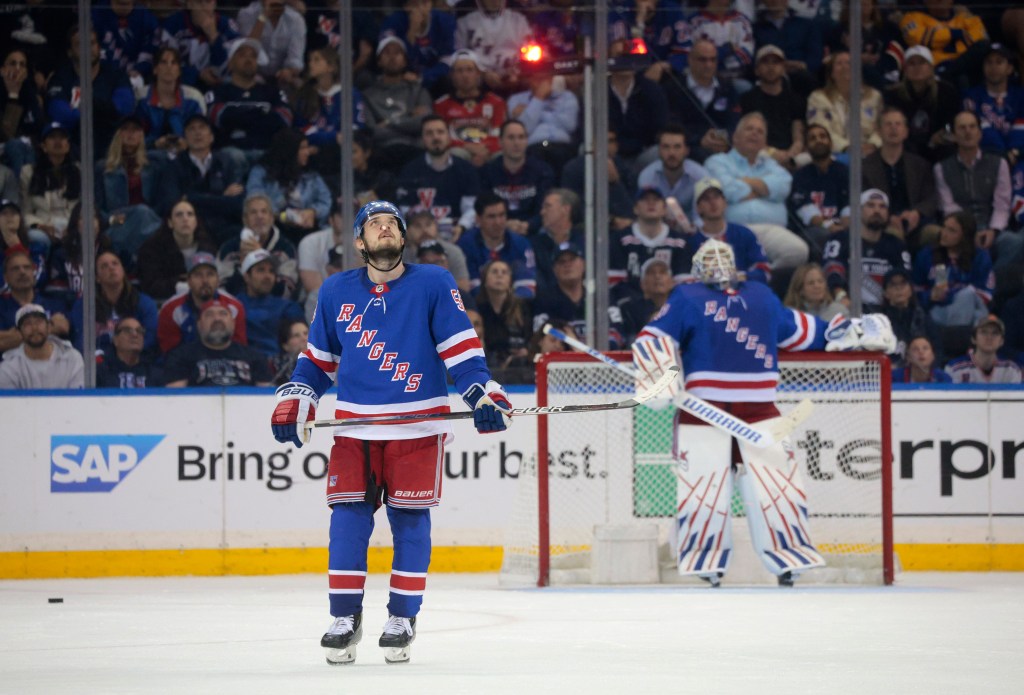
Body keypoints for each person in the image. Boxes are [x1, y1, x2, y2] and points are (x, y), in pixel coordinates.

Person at [269, 200, 513, 665]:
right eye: (374, 225)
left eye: (392, 224)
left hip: (417, 426)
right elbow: (319, 361)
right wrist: (298, 395)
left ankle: (402, 617)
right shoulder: (336, 290)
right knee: (347, 521)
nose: (384, 229)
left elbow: (461, 352)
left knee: (410, 522)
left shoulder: (434, 283)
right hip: (355, 429)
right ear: (359, 242)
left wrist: (482, 394)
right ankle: (344, 617)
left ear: (402, 238)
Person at [632, 238, 895, 587]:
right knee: (703, 488)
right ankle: (704, 560)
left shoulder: (760, 296)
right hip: (703, 411)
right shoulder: (687, 297)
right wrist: (657, 374)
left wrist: (855, 330)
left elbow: (806, 331)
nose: (716, 263)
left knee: (779, 486)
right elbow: (653, 337)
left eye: (722, 256)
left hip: (759, 409)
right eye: (708, 258)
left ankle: (789, 556)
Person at [704, 113, 808, 271]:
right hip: (732, 228)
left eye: (760, 132)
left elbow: (783, 186)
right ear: (735, 137)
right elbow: (727, 191)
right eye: (749, 129)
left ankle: (761, 276)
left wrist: (742, 181)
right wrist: (764, 189)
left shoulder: (773, 166)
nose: (754, 133)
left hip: (771, 229)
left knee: (798, 251)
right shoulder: (717, 161)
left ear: (765, 142)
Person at [934, 111, 1019, 268]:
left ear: (980, 133)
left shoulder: (999, 163)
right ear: (953, 135)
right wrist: (968, 233)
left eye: (972, 127)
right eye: (962, 128)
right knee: (938, 238)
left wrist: (992, 231)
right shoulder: (941, 168)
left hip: (992, 229)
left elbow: (1002, 205)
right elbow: (948, 207)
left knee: (1015, 242)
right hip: (959, 230)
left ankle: (994, 287)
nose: (968, 132)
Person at [45, 24, 134, 156]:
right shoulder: (60, 78)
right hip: (74, 147)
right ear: (69, 52)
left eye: (91, 43)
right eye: (80, 44)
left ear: (98, 47)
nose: (87, 49)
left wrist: (84, 108)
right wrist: (102, 110)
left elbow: (124, 107)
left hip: (112, 146)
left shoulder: (115, 75)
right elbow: (59, 113)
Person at [158, 114, 246, 242]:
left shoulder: (228, 162)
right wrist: (222, 197)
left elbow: (238, 204)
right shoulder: (173, 167)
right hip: (189, 229)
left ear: (211, 137)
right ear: (185, 139)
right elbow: (171, 204)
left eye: (202, 127)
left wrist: (191, 198)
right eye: (191, 129)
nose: (197, 133)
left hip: (225, 227)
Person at [862, 107, 940, 250]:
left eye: (898, 124)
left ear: (906, 132)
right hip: (882, 223)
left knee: (935, 233)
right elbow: (863, 200)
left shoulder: (920, 164)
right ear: (879, 131)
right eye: (888, 124)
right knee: (893, 235)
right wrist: (887, 217)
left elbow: (931, 197)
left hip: (917, 224)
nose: (893, 128)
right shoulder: (866, 166)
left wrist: (917, 212)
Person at [823, 189, 912, 308]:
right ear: (858, 210)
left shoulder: (896, 245)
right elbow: (831, 269)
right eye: (870, 205)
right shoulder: (840, 239)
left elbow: (905, 277)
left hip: (886, 312)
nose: (877, 210)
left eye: (882, 207)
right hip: (849, 309)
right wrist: (841, 296)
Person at [396, 114, 481, 237]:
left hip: (457, 233)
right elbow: (404, 208)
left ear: (449, 137)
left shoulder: (466, 169)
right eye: (429, 133)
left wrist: (462, 227)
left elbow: (472, 208)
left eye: (440, 132)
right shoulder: (410, 171)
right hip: (421, 236)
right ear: (423, 139)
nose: (435, 137)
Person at [207, 38, 292, 157]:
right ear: (230, 63)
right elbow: (217, 117)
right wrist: (261, 115)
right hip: (230, 152)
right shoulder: (218, 92)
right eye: (242, 55)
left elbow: (284, 119)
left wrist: (238, 117)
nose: (249, 60)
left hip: (266, 152)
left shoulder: (272, 91)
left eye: (253, 56)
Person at [245, 129, 332, 244]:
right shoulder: (261, 173)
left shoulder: (311, 176)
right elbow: (254, 200)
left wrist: (313, 211)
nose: (307, 152)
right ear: (289, 150)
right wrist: (283, 216)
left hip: (306, 231)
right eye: (303, 148)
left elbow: (326, 200)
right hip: (272, 230)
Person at [659, 39, 737, 165]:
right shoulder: (673, 88)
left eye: (713, 60)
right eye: (703, 60)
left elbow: (734, 120)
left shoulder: (727, 88)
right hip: (687, 149)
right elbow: (671, 125)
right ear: (690, 60)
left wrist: (723, 137)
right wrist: (700, 139)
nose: (708, 65)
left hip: (722, 146)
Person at [95, 116, 164, 258]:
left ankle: (132, 258)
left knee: (143, 213)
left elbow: (159, 202)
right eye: (125, 129)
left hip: (146, 221)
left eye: (135, 130)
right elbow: (95, 205)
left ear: (141, 135)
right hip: (119, 222)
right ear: (118, 135)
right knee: (144, 214)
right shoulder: (103, 167)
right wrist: (110, 219)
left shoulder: (152, 167)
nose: (130, 134)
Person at [164, 297, 272, 387]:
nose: (217, 319)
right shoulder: (181, 357)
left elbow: (266, 397)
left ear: (233, 323)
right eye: (209, 314)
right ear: (199, 325)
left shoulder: (255, 357)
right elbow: (174, 399)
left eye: (223, 314)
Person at [911, 211, 994, 328]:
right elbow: (914, 291)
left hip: (970, 313)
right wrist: (930, 295)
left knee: (968, 295)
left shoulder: (980, 257)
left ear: (965, 236)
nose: (944, 233)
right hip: (935, 311)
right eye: (944, 227)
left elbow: (985, 294)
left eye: (951, 231)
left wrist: (951, 294)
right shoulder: (927, 254)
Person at [533, 244, 625, 349]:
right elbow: (540, 333)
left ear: (583, 264)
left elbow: (617, 333)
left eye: (572, 260)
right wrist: (568, 341)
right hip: (563, 362)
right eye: (561, 262)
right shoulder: (545, 299)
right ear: (554, 269)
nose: (567, 265)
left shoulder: (601, 297)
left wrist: (586, 349)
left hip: (601, 360)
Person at [609, 187, 693, 302]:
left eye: (656, 200)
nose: (651, 203)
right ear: (635, 208)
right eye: (644, 199)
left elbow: (684, 284)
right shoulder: (620, 240)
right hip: (631, 308)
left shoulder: (679, 242)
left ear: (664, 209)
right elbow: (615, 284)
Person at [361, 37, 433, 171]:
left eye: (397, 53)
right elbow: (372, 131)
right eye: (387, 53)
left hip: (415, 150)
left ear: (405, 60)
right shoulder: (368, 95)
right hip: (382, 151)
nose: (392, 57)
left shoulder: (418, 91)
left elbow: (423, 123)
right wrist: (408, 119)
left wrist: (389, 123)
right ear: (379, 61)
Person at [70, 250, 159, 356]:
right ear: (97, 278)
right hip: (98, 364)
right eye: (104, 266)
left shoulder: (144, 303)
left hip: (134, 361)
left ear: (123, 270)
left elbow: (150, 339)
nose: (111, 268)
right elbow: (81, 341)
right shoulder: (84, 305)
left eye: (115, 263)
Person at [157, 252, 247, 354]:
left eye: (210, 274)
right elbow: (170, 353)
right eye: (198, 275)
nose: (205, 281)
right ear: (188, 281)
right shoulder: (171, 309)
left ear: (218, 280)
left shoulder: (234, 307)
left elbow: (239, 349)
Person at [882, 46, 960, 163]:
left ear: (930, 67)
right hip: (906, 144)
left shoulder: (946, 91)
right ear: (905, 69)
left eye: (922, 63)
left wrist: (941, 135)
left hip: (937, 147)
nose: (917, 68)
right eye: (912, 64)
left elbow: (951, 121)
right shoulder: (893, 94)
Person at [690, 177, 771, 286]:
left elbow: (765, 270)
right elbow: (687, 280)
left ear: (725, 202)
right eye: (706, 199)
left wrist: (742, 277)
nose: (713, 203)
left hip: (744, 293)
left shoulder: (743, 234)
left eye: (717, 197)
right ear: (698, 208)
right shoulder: (691, 241)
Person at [478, 120, 554, 236]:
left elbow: (544, 208)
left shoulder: (542, 171)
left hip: (533, 231)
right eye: (511, 138)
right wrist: (505, 224)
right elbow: (483, 208)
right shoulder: (487, 172)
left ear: (527, 141)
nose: (516, 143)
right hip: (496, 231)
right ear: (500, 142)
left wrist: (529, 225)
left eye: (521, 137)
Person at [433, 49, 507, 168]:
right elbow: (440, 137)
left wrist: (483, 151)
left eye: (469, 70)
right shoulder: (441, 104)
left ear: (478, 74)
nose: (465, 75)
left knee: (503, 156)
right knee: (454, 155)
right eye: (459, 71)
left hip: (488, 151)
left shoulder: (496, 102)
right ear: (452, 75)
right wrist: (467, 147)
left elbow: (500, 134)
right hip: (459, 151)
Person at [217, 193, 299, 299]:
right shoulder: (229, 248)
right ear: (245, 219)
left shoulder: (285, 248)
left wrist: (259, 256)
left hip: (275, 310)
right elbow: (223, 291)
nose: (259, 216)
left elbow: (286, 291)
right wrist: (244, 263)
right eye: (253, 212)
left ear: (271, 218)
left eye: (264, 212)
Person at [136, 199, 219, 303]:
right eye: (179, 215)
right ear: (170, 223)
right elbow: (150, 285)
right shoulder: (151, 249)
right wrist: (178, 283)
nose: (185, 219)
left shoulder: (208, 247)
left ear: (196, 221)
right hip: (164, 302)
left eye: (190, 214)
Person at [739, 45, 807, 170]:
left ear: (784, 68)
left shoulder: (796, 99)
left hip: (792, 156)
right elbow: (748, 135)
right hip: (760, 153)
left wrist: (790, 154)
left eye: (776, 62)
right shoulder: (747, 99)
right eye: (765, 62)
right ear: (757, 70)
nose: (771, 67)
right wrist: (774, 154)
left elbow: (798, 136)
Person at [457, 193, 536, 298]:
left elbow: (527, 284)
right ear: (478, 219)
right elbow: (470, 288)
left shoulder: (521, 244)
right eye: (491, 217)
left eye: (502, 215)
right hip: (479, 308)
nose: (498, 222)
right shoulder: (465, 245)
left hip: (515, 307)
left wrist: (508, 305)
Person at [806, 51, 884, 157]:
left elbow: (881, 127)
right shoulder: (818, 98)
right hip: (832, 154)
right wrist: (847, 147)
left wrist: (873, 144)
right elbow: (820, 129)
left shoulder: (874, 96)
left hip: (870, 153)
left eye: (849, 63)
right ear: (832, 73)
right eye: (839, 63)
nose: (845, 67)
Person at [788, 124, 851, 254]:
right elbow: (804, 210)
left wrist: (845, 227)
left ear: (831, 143)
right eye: (813, 138)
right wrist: (829, 226)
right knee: (822, 236)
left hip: (844, 226)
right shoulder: (800, 176)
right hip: (814, 230)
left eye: (822, 136)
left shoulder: (844, 172)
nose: (818, 140)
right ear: (806, 147)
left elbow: (849, 205)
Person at [135, 46, 207, 159]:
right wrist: (154, 144)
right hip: (148, 155)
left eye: (173, 63)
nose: (169, 67)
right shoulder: (140, 97)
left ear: (179, 70)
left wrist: (187, 143)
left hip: (186, 155)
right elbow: (133, 136)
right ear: (155, 69)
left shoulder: (194, 97)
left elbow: (201, 134)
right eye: (163, 62)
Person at [963, 43, 1024, 165]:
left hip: (1019, 156)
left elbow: (1021, 130)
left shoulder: (1020, 96)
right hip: (985, 157)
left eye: (999, 62)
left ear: (1009, 68)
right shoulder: (971, 95)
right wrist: (1002, 154)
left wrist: (1014, 153)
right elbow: (976, 130)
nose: (993, 67)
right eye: (989, 62)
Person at [19, 122, 81, 243]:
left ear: (68, 145)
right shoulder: (28, 172)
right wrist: (39, 226)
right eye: (52, 137)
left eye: (62, 137)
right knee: (36, 237)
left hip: (72, 226)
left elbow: (86, 208)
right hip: (43, 227)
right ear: (43, 146)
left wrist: (73, 227)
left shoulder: (80, 171)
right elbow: (25, 211)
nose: (57, 141)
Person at [454, 0, 531, 95]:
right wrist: (482, 73)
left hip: (513, 74)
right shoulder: (465, 22)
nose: (496, 1)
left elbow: (529, 52)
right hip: (479, 76)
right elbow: (460, 54)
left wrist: (517, 70)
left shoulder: (518, 20)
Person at [236, 249, 304, 358]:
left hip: (281, 366)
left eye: (271, 271)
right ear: (246, 276)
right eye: (261, 270)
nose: (267, 276)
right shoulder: (233, 307)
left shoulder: (287, 307)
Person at [378, 0, 455, 94]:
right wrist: (412, 32)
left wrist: (423, 76)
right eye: (415, 4)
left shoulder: (445, 21)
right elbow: (390, 57)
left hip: (433, 76)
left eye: (424, 2)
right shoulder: (393, 22)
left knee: (446, 80)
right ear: (406, 7)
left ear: (431, 4)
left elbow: (447, 59)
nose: (420, 8)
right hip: (403, 75)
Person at [159, 0, 240, 89]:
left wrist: (213, 35)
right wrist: (198, 75)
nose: (204, 7)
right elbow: (164, 65)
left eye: (208, 2)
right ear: (190, 4)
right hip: (181, 88)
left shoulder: (227, 25)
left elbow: (232, 68)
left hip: (219, 89)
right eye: (199, 2)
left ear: (215, 4)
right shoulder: (172, 24)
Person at [0, 250, 69, 354]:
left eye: (27, 267)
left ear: (34, 273)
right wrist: (49, 328)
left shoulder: (55, 304)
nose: (22, 272)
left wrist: (14, 336)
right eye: (15, 269)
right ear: (6, 277)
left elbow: (63, 327)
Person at [0, 303, 84, 389]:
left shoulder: (72, 358)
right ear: (19, 331)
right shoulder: (8, 368)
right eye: (27, 324)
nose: (34, 328)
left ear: (48, 326)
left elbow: (78, 399)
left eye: (39, 322)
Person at [636, 125, 709, 222]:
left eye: (677, 147)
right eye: (666, 147)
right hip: (658, 228)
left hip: (693, 229)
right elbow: (646, 213)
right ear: (659, 150)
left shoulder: (701, 176)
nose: (671, 153)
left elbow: (703, 216)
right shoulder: (647, 176)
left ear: (686, 151)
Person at [751, 0, 823, 98]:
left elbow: (816, 56)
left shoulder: (806, 25)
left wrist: (803, 65)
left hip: (801, 75)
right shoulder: (755, 28)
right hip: (768, 74)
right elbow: (754, 58)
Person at [875, 267, 940, 371]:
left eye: (903, 284)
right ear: (885, 293)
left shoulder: (922, 316)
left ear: (910, 290)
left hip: (920, 373)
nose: (899, 288)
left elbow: (937, 350)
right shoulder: (878, 321)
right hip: (888, 373)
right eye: (893, 285)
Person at [474, 259, 532, 373]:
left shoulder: (524, 307)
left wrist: (527, 351)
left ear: (510, 281)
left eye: (504, 272)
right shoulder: (477, 309)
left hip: (519, 367)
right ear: (485, 280)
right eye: (494, 272)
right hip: (487, 366)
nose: (499, 275)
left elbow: (531, 338)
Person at [235, 0, 306, 90]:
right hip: (253, 73)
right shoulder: (246, 14)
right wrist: (263, 16)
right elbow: (248, 49)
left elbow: (296, 59)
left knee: (298, 84)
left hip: (281, 76)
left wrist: (289, 71)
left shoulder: (296, 20)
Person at [400, 209, 472, 296]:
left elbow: (463, 287)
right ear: (407, 231)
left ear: (436, 227)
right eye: (417, 226)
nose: (424, 230)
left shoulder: (453, 251)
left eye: (428, 224)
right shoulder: (400, 256)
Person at [530, 188, 584, 296]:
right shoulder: (534, 245)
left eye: (548, 206)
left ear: (566, 209)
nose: (542, 212)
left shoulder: (585, 242)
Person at [945, 315, 1022, 384]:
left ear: (1001, 341)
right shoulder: (955, 369)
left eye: (995, 333)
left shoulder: (1011, 369)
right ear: (974, 338)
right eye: (984, 332)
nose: (989, 337)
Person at [618, 257, 673, 346]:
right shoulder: (630, 310)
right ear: (642, 284)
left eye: (662, 272)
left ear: (672, 282)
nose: (657, 276)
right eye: (651, 273)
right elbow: (629, 342)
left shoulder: (681, 308)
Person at [95, 317, 163, 388]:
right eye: (127, 330)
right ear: (115, 340)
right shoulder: (101, 371)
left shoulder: (154, 373)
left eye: (139, 330)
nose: (135, 335)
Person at [782, 262, 847, 322]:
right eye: (811, 283)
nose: (817, 286)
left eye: (820, 281)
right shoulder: (790, 315)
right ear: (800, 290)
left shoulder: (839, 311)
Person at [271, 317, 307, 385]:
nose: (304, 338)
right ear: (285, 346)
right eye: (296, 335)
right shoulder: (278, 364)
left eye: (306, 333)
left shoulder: (325, 358)